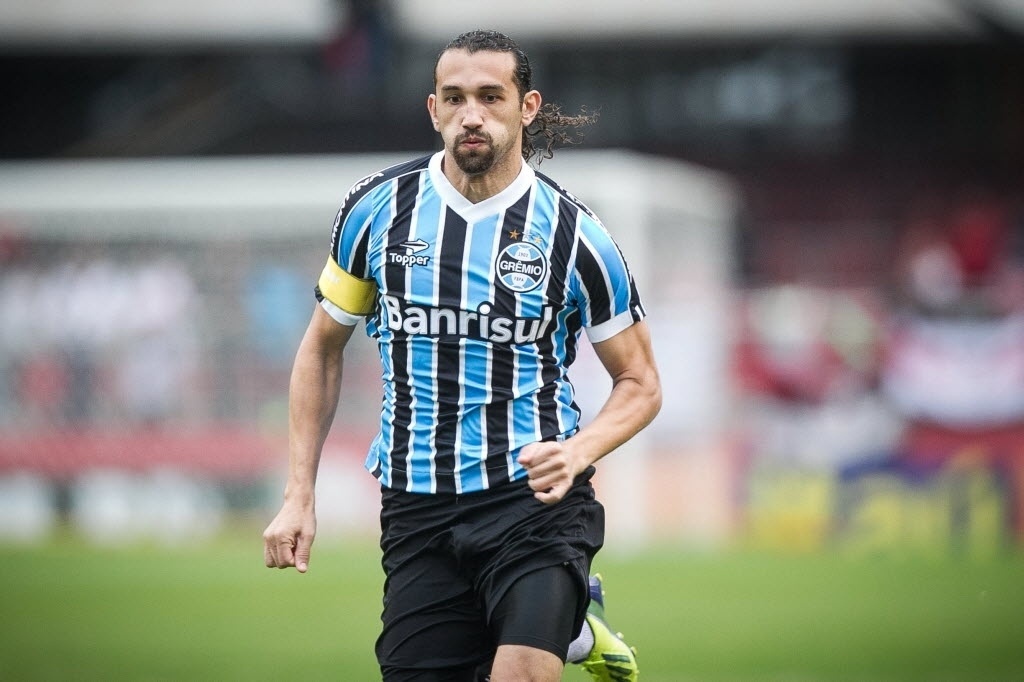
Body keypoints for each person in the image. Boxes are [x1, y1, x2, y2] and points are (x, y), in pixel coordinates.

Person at [263, 29, 661, 682]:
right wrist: (299, 492)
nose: (471, 114)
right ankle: (574, 624)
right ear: (433, 109)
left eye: (489, 96)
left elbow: (641, 382)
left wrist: (580, 450)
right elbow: (322, 348)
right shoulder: (376, 211)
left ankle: (555, 619)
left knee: (522, 673)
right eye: (454, 98)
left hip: (533, 498)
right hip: (416, 505)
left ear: (526, 107)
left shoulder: (575, 237)